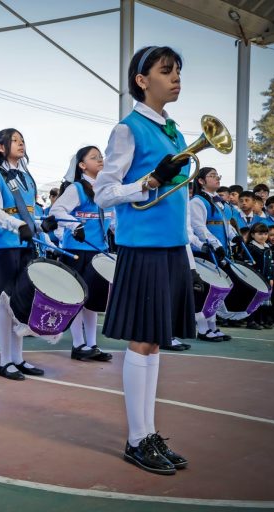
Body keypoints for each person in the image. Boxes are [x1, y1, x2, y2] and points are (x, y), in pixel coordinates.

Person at [94, 46, 197, 475]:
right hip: (143, 248)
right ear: (141, 80)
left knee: (155, 342)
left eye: (178, 71)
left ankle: (148, 433)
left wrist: (188, 252)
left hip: (171, 247)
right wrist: (150, 181)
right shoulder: (128, 128)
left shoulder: (174, 132)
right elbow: (104, 193)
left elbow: (180, 199)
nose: (175, 78)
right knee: (142, 341)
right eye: (166, 71)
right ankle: (137, 440)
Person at [0, 128, 57, 381]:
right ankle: (5, 360)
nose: (20, 144)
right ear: (0, 147)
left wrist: (42, 225)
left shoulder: (27, 177)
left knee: (20, 302)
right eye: (14, 140)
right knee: (5, 303)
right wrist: (19, 226)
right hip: (5, 247)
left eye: (22, 140)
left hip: (25, 245)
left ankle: (18, 358)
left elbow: (28, 213)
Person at [50, 145, 115, 359]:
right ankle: (78, 345)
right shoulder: (76, 188)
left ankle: (92, 345)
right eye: (94, 157)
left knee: (93, 301)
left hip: (99, 252)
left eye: (101, 156)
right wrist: (74, 225)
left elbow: (113, 220)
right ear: (82, 165)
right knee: (78, 299)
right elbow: (57, 210)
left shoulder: (106, 189)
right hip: (77, 251)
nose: (100, 160)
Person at [189, 167, 238, 342]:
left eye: (218, 175)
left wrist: (235, 237)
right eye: (212, 176)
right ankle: (203, 329)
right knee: (205, 292)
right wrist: (215, 245)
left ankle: (213, 326)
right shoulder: (197, 201)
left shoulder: (219, 201)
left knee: (216, 292)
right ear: (201, 181)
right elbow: (199, 228)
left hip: (218, 252)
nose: (217, 178)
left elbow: (226, 224)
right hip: (204, 252)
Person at [245, 223, 274, 330]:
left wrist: (271, 278)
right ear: (253, 235)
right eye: (260, 234)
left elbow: (271, 265)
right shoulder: (250, 248)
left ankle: (260, 320)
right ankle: (251, 321)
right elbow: (248, 266)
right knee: (253, 301)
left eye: (265, 234)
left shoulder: (267, 247)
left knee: (263, 302)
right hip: (255, 280)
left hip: (266, 280)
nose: (263, 236)